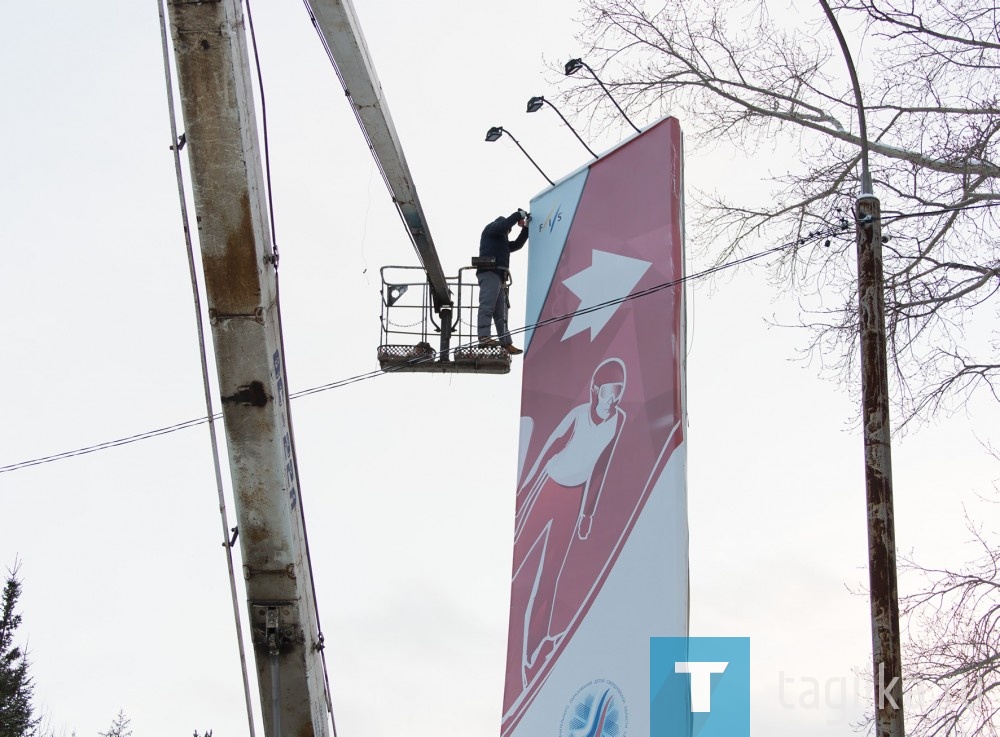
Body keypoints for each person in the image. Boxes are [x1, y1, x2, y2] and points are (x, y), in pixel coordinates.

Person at [477, 209, 529, 354]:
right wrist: (518, 215)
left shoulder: (501, 241)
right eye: (508, 229)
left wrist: (526, 229)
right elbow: (503, 226)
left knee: (501, 314)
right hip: (489, 272)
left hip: (499, 275)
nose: (508, 232)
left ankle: (506, 342)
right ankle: (483, 336)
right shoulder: (491, 229)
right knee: (487, 305)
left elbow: (517, 245)